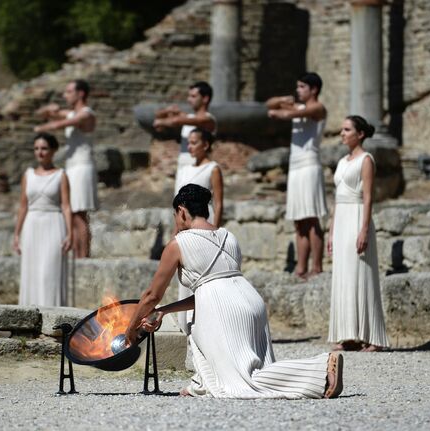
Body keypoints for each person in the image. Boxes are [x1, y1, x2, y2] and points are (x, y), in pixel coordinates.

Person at [124, 184, 344, 399]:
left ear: (181, 211)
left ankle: (321, 368)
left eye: (175, 215)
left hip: (223, 312)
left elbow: (152, 295)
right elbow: (213, 290)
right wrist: (164, 311)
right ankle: (202, 383)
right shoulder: (229, 236)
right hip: (252, 303)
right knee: (251, 369)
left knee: (244, 382)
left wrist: (130, 329)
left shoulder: (178, 244)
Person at [327, 116, 389, 352]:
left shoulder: (366, 160)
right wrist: (331, 232)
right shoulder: (342, 161)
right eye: (341, 129)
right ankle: (349, 335)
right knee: (344, 276)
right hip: (341, 219)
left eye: (346, 130)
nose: (342, 133)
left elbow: (368, 197)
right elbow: (336, 198)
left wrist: (364, 229)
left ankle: (373, 337)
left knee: (361, 273)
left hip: (356, 218)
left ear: (360, 134)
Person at [267, 72, 328, 279]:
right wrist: (283, 101)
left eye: (302, 87)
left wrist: (284, 111)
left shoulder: (318, 108)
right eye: (298, 87)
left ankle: (317, 267)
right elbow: (270, 105)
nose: (298, 90)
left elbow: (288, 115)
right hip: (295, 167)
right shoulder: (299, 108)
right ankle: (301, 268)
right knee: (299, 221)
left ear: (314, 90)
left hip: (310, 165)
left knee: (311, 218)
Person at [35, 79, 97, 258]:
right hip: (72, 167)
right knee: (72, 214)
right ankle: (78, 255)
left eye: (69, 91)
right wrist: (48, 110)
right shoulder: (71, 113)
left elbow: (59, 124)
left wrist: (42, 128)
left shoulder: (86, 114)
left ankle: (83, 257)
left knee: (79, 215)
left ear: (81, 93)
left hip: (82, 167)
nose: (65, 95)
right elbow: (43, 114)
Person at [173, 128, 224, 333]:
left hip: (204, 222)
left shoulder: (213, 168)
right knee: (185, 271)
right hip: (184, 224)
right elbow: (177, 205)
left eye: (195, 142)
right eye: (189, 143)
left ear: (206, 144)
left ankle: (204, 324)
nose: (190, 147)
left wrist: (216, 233)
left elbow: (219, 203)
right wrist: (175, 229)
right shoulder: (184, 169)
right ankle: (184, 325)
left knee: (201, 272)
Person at [14, 133, 72, 306]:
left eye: (44, 148)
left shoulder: (61, 175)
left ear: (53, 150)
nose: (40, 152)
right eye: (37, 148)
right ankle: (28, 313)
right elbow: (23, 205)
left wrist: (70, 234)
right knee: (31, 270)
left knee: (50, 271)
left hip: (53, 223)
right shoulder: (28, 175)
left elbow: (66, 206)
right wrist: (16, 234)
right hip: (31, 225)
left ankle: (52, 315)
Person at [153, 81, 217, 189]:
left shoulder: (208, 119)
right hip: (183, 166)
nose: (189, 99)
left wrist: (164, 121)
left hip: (200, 167)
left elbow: (176, 121)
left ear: (205, 98)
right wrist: (168, 110)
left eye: (193, 96)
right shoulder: (189, 118)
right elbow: (158, 118)